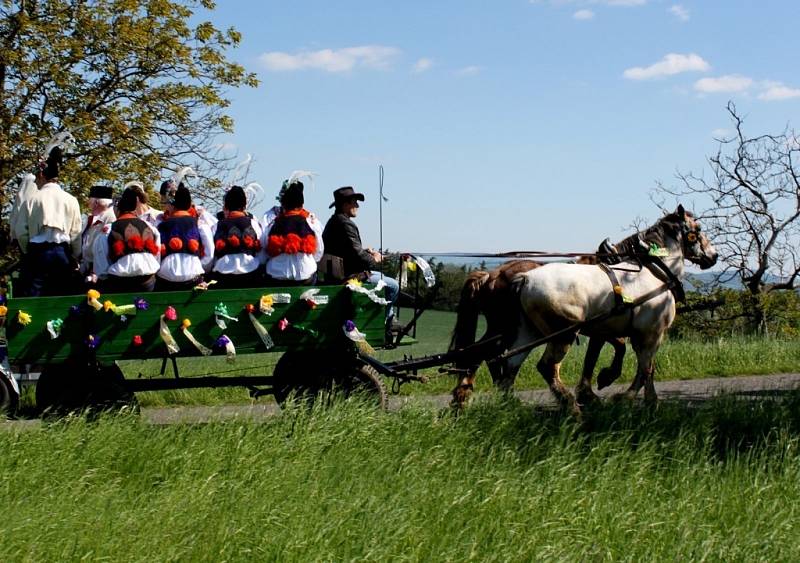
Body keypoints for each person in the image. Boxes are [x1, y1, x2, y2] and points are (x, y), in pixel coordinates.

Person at [322, 186, 399, 328]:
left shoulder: (333, 222)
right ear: (345, 204)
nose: (357, 206)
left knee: (381, 276)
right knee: (393, 285)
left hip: (340, 272)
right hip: (349, 276)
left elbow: (347, 251)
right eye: (354, 202)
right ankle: (385, 324)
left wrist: (366, 251)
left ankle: (389, 319)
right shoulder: (345, 224)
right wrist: (374, 258)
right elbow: (357, 255)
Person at [16, 146, 82, 296]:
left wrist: (28, 250)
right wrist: (75, 255)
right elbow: (76, 232)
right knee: (62, 294)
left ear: (42, 175)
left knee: (33, 294)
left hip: (37, 251)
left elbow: (21, 232)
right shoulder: (71, 200)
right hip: (62, 252)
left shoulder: (31, 200)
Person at [92, 186, 161, 293]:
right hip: (148, 281)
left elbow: (101, 267)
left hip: (120, 283)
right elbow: (157, 255)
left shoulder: (109, 230)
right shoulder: (150, 227)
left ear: (117, 209)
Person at [262, 180, 323, 285]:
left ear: (283, 204)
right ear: (302, 204)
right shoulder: (312, 221)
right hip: (305, 276)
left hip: (277, 276)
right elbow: (319, 252)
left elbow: (264, 248)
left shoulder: (272, 223)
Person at [155, 185, 214, 290]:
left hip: (165, 277)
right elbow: (209, 253)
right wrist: (201, 267)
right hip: (193, 275)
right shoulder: (199, 224)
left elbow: (156, 253)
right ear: (189, 205)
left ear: (174, 205)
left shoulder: (160, 225)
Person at [211, 185, 264, 288]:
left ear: (225, 206)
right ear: (244, 207)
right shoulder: (253, 223)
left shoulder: (216, 225)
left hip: (223, 275)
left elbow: (211, 255)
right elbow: (261, 251)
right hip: (250, 272)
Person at [80, 185, 116, 285]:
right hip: (88, 269)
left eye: (89, 201)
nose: (88, 204)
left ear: (96, 203)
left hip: (100, 273)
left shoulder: (111, 219)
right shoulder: (90, 219)